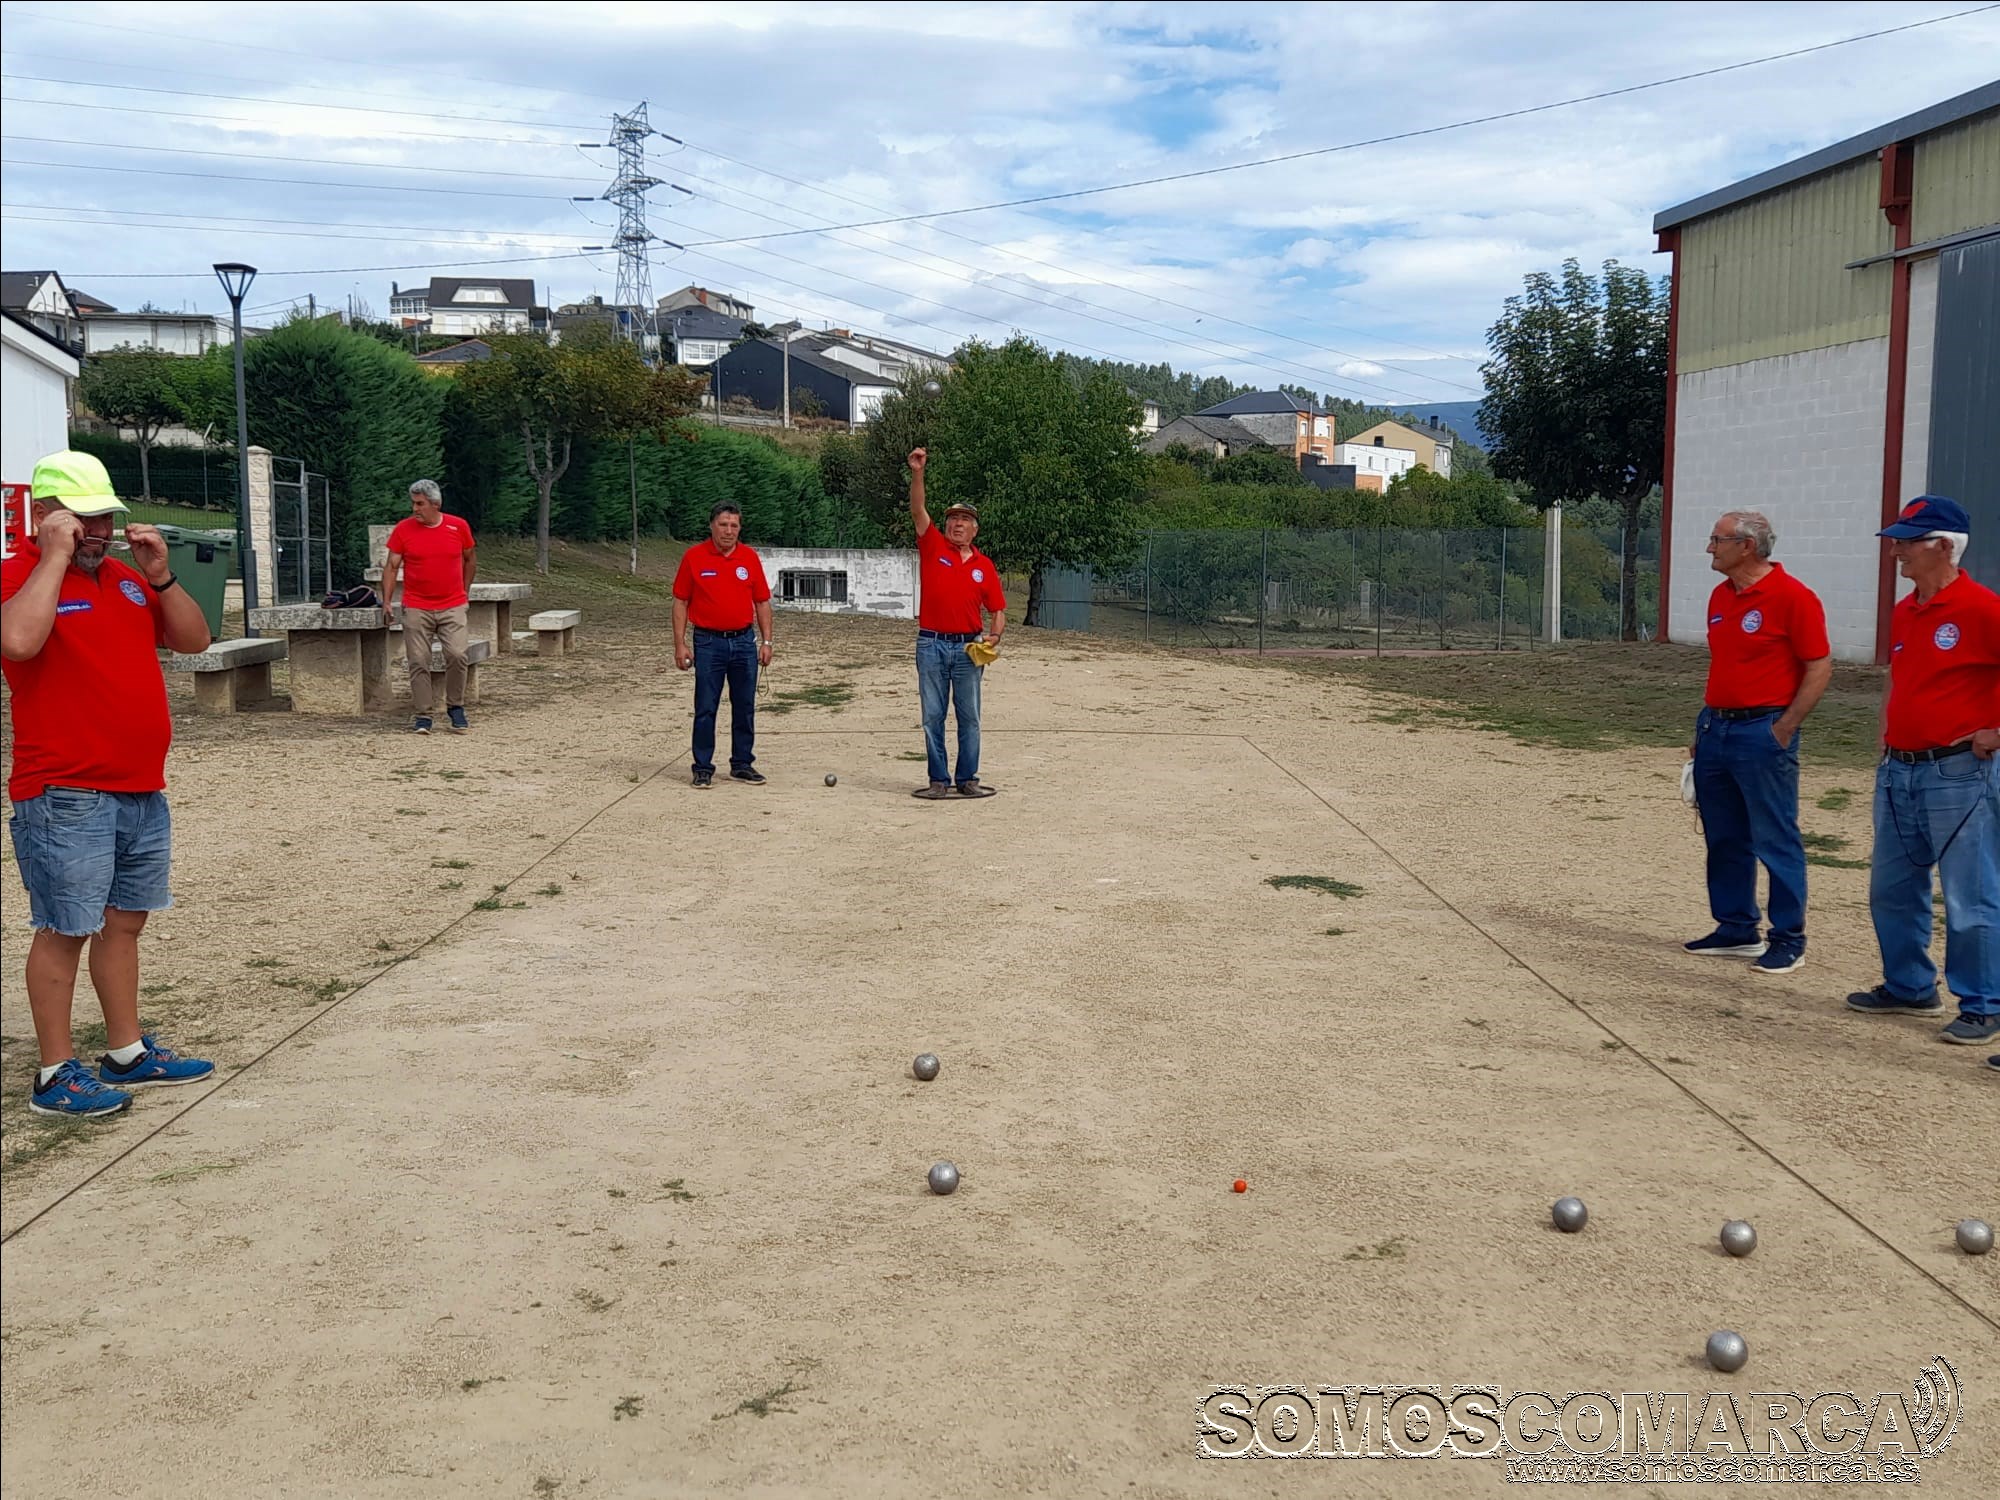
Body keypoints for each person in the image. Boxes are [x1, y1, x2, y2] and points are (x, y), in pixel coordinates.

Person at [0, 450, 216, 1118]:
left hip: (138, 786)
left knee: (124, 923)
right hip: (65, 790)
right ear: (45, 517)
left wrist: (160, 575)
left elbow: (194, 641)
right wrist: (54, 557)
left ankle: (125, 1051)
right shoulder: (17, 574)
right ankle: (54, 1074)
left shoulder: (125, 579)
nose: (97, 531)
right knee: (65, 927)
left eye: (104, 519)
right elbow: (18, 642)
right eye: (83, 519)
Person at [1845, 495, 2000, 1048]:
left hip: (1958, 774)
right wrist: (1887, 738)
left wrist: (1994, 732)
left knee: (1969, 894)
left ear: (1942, 546)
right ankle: (1909, 984)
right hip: (1900, 770)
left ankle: (1983, 1003)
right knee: (1891, 887)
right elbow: (1901, 676)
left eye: (1908, 542)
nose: (1897, 552)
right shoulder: (1908, 610)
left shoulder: (1983, 609)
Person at [1683, 510, 1832, 975]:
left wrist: (1785, 727)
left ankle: (1788, 936)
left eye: (1717, 539)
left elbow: (1819, 666)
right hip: (1717, 727)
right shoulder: (1720, 596)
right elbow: (1726, 666)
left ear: (1747, 546)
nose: (1710, 548)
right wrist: (1703, 727)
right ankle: (1736, 927)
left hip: (1762, 730)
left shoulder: (1793, 597)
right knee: (1724, 834)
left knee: (1774, 835)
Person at [906, 448, 1005, 799]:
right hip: (931, 643)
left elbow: (998, 608)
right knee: (932, 715)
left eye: (964, 520)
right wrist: (918, 473)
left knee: (970, 717)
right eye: (952, 519)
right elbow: (918, 509)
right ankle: (938, 780)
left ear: (974, 529)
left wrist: (993, 636)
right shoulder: (933, 547)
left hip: (968, 647)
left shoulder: (985, 566)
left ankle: (967, 779)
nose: (956, 524)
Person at [671, 502, 773, 788]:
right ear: (712, 525)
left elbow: (762, 601)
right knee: (705, 706)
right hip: (708, 642)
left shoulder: (749, 558)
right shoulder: (694, 557)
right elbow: (680, 601)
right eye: (723, 524)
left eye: (734, 525)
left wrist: (766, 641)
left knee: (745, 705)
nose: (729, 531)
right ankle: (702, 767)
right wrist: (679, 644)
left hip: (743, 641)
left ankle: (742, 764)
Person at [380, 479, 475, 734]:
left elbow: (470, 559)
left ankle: (456, 706)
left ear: (435, 504)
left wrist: (464, 593)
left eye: (420, 504)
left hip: (452, 604)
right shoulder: (404, 530)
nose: (415, 509)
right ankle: (423, 714)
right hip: (417, 605)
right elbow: (391, 566)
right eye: (413, 503)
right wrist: (387, 601)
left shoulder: (458, 526)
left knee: (457, 654)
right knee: (418, 660)